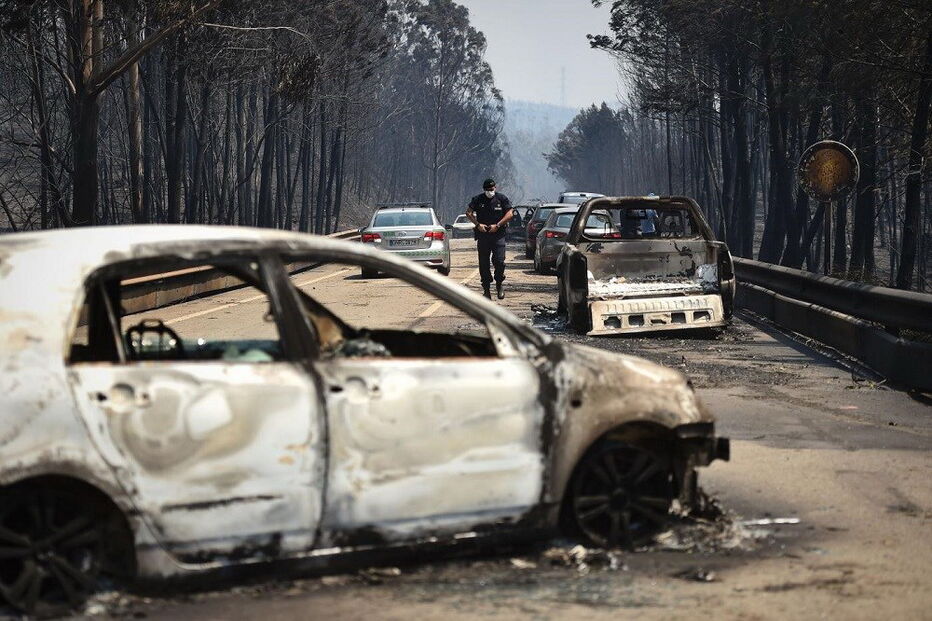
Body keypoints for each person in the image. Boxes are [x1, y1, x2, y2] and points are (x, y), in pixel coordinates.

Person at [466, 178, 514, 299]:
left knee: (499, 261)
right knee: (484, 263)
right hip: (483, 235)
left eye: (491, 189)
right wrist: (478, 225)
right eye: (487, 190)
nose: (489, 192)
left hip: (498, 234)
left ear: (495, 188)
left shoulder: (501, 198)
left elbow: (510, 214)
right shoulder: (478, 199)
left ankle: (499, 284)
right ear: (484, 189)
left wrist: (497, 225)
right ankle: (486, 290)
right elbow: (468, 213)